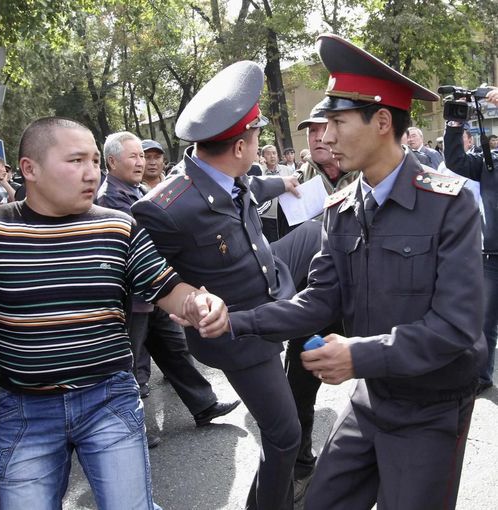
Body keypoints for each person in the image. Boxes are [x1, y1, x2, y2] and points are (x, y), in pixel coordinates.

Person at [0, 116, 229, 510]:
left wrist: (200, 303)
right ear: (29, 168)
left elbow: (168, 288)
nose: (91, 174)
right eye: (75, 161)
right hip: (25, 410)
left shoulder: (120, 228)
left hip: (109, 400)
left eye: (95, 162)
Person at [199, 34, 485, 510]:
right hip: (371, 397)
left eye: (336, 121)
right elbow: (320, 300)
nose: (325, 137)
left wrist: (358, 355)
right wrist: (235, 320)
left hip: (431, 407)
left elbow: (455, 328)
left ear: (382, 122)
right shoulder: (343, 208)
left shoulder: (449, 204)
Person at [133, 60, 323, 510]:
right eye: (256, 138)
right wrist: (187, 302)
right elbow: (142, 277)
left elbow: (251, 192)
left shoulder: (230, 178)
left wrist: (287, 181)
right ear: (240, 146)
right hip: (238, 335)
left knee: (319, 232)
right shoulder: (165, 208)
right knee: (284, 435)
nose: (259, 146)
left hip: (268, 296)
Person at [96, 131, 239, 434]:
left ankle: (204, 404)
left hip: (154, 293)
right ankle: (130, 428)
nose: (141, 163)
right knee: (129, 365)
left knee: (174, 350)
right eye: (133, 156)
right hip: (131, 297)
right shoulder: (111, 197)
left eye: (143, 156)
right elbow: (140, 245)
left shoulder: (132, 191)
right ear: (112, 161)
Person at [281, 103, 361, 503]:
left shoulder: (367, 174)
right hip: (315, 306)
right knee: (296, 388)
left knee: (382, 389)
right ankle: (300, 468)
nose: (316, 138)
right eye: (309, 132)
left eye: (322, 129)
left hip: (366, 305)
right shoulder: (294, 186)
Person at [443, 87, 498, 395]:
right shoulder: (490, 164)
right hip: (492, 257)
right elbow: (455, 161)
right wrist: (455, 124)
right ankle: (481, 377)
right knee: (484, 324)